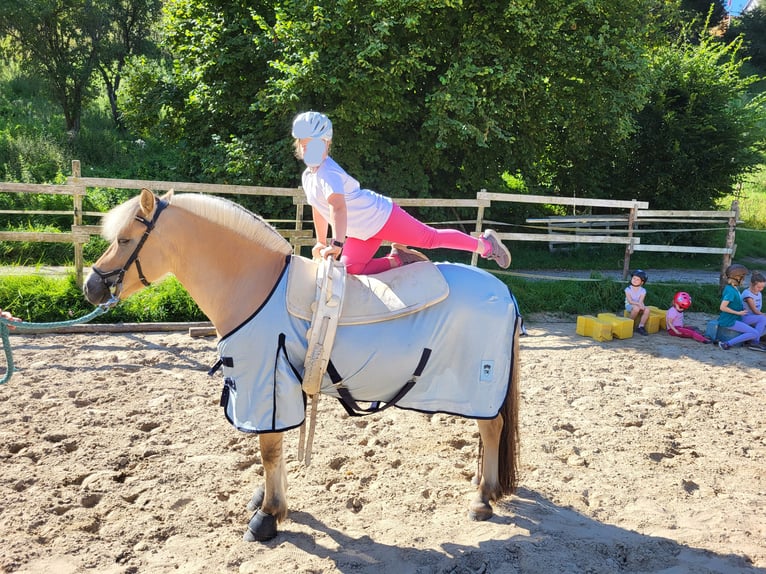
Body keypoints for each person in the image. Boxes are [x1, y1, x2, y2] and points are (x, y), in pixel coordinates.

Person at [291, 111, 511, 275]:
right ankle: (398, 261)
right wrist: (321, 242)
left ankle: (487, 245)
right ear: (300, 145)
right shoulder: (309, 176)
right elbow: (319, 209)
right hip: (362, 231)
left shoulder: (328, 173)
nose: (310, 150)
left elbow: (337, 208)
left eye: (317, 145)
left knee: (430, 239)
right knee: (349, 270)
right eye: (305, 145)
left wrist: (336, 245)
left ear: (327, 145)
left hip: (381, 216)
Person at [717, 264, 764, 350]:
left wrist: (741, 310)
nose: (744, 279)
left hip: (737, 317)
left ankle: (754, 343)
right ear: (737, 278)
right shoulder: (730, 291)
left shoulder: (735, 288)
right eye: (743, 277)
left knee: (762, 319)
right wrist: (738, 312)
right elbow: (722, 307)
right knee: (755, 333)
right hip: (730, 320)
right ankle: (726, 344)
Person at [741, 271, 766, 345]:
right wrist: (764, 314)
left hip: (754, 317)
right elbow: (755, 311)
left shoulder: (759, 293)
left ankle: (750, 338)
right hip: (745, 317)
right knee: (763, 319)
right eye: (758, 287)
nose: (760, 289)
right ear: (751, 284)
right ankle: (755, 341)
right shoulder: (747, 295)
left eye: (763, 287)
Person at [625, 269, 650, 335]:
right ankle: (629, 324)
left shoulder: (643, 290)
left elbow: (641, 301)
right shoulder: (628, 289)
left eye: (637, 279)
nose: (635, 280)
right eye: (634, 278)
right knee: (636, 308)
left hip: (639, 304)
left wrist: (641, 306)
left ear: (642, 282)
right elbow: (630, 301)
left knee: (647, 310)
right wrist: (639, 305)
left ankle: (641, 326)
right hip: (629, 305)